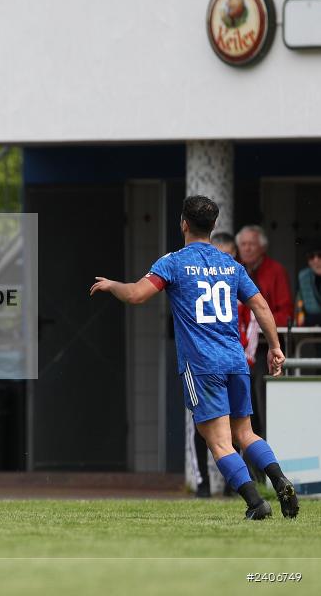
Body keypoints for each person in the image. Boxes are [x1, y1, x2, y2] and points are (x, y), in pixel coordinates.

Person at [91, 195, 298, 521]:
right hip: (235, 359)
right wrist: (275, 347)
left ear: (183, 223)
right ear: (213, 226)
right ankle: (279, 479)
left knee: (218, 441)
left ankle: (256, 503)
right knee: (245, 433)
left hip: (202, 366)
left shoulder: (172, 263)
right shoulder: (231, 264)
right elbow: (260, 306)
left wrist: (112, 284)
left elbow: (136, 295)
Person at [235, 225, 292, 440]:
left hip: (265, 347)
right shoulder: (236, 269)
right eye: (243, 244)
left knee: (262, 400)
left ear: (262, 247)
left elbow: (286, 312)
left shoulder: (275, 271)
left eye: (252, 244)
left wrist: (257, 321)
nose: (247, 249)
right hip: (238, 348)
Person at [296, 241, 321, 327]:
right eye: (311, 257)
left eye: (320, 255)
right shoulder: (303, 276)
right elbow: (299, 304)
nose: (316, 260)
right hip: (311, 326)